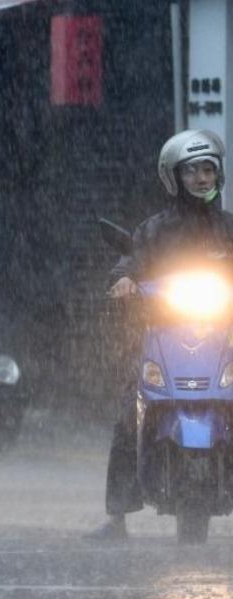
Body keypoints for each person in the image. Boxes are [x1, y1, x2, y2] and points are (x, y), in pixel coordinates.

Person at [86, 129, 233, 541]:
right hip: (165, 337)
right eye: (192, 172)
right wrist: (124, 280)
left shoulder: (228, 229)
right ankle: (117, 517)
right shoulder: (154, 231)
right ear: (173, 178)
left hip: (224, 338)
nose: (202, 179)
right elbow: (130, 260)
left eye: (209, 170)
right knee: (129, 410)